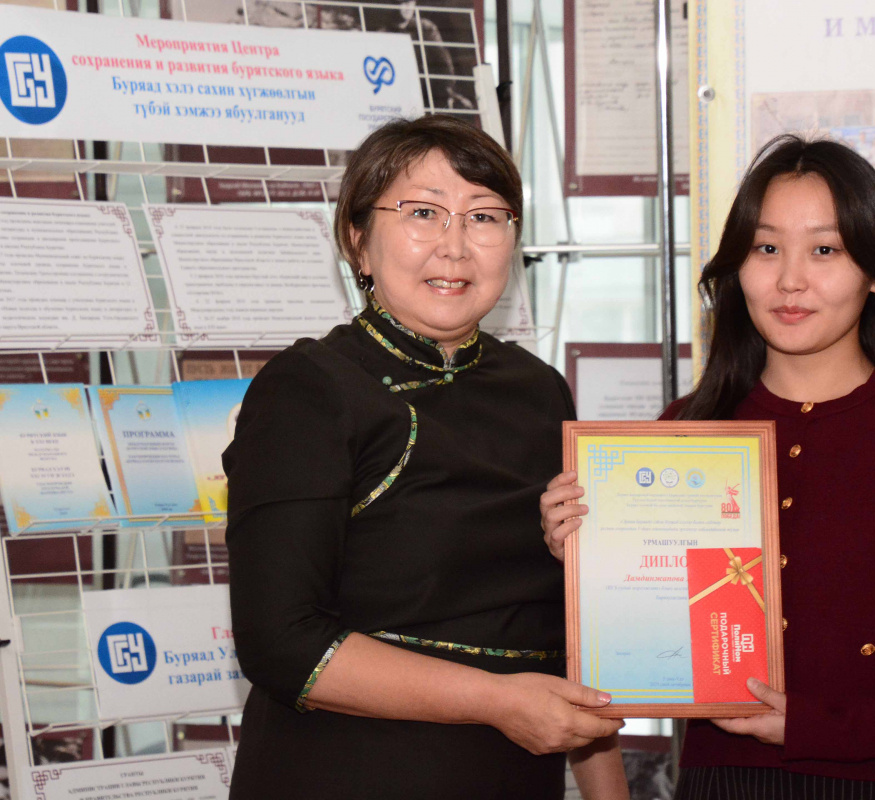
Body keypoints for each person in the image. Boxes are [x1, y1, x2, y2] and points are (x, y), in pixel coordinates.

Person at [542, 136, 875, 798]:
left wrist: (820, 726)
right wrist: (587, 557)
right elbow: (649, 633)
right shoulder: (687, 431)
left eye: (824, 250)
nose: (790, 280)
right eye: (766, 248)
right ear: (736, 269)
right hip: (725, 779)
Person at [224, 115, 627, 799]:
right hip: (349, 775)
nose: (455, 246)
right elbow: (281, 642)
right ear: (358, 241)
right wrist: (498, 701)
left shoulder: (539, 389)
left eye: (484, 217)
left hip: (513, 777)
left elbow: (573, 639)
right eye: (422, 213)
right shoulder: (309, 389)